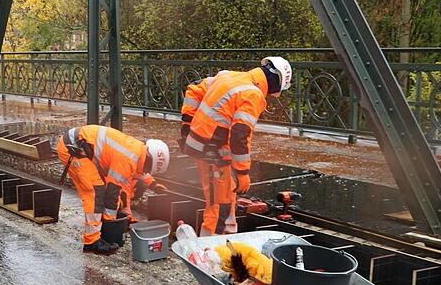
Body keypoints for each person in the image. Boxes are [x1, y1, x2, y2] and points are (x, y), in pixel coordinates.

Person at [181, 57, 292, 236]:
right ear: (277, 83)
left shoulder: (227, 76)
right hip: (212, 151)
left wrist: (187, 126)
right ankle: (209, 245)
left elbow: (194, 89)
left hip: (203, 146)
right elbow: (240, 136)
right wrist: (242, 173)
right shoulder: (253, 94)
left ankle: (228, 233)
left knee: (225, 194)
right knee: (218, 204)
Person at [57, 125, 171, 255]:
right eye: (147, 168)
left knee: (130, 184)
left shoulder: (137, 151)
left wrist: (153, 184)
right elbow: (113, 192)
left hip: (83, 148)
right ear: (148, 160)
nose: (146, 171)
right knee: (95, 192)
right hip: (73, 148)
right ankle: (92, 242)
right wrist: (110, 222)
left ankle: (106, 224)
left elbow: (135, 175)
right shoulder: (126, 159)